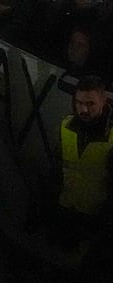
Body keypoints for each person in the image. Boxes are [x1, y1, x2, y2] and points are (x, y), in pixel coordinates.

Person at [54, 75, 113, 253]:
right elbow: (57, 167)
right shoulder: (66, 126)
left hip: (95, 215)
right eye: (79, 103)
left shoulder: (111, 137)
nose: (83, 109)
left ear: (103, 101)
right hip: (66, 206)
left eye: (90, 104)